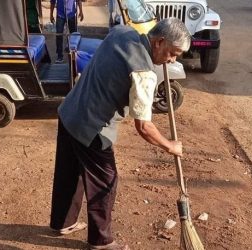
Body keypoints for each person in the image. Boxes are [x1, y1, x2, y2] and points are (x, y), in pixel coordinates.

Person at [50, 18, 191, 250]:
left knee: (70, 171)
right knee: (106, 181)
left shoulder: (122, 33)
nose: (173, 60)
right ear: (159, 42)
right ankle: (101, 242)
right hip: (92, 127)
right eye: (173, 53)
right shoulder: (144, 73)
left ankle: (62, 222)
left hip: (69, 111)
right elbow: (144, 127)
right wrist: (171, 146)